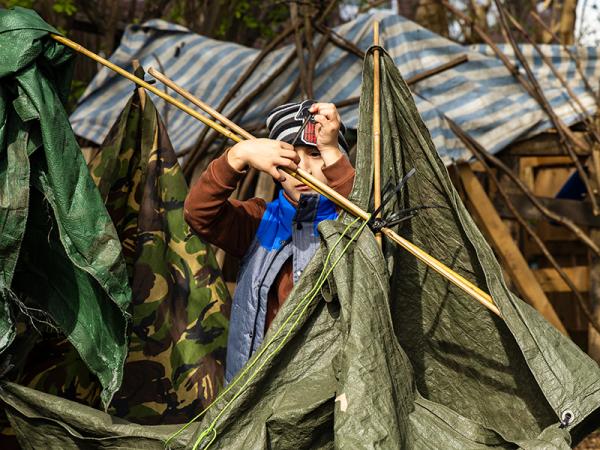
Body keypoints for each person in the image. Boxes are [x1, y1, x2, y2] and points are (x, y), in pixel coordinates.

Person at [184, 100, 355, 382]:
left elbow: (368, 225)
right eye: (289, 157)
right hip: (257, 387)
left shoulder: (350, 218)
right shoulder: (260, 221)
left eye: (315, 153)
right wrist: (238, 155)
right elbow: (198, 213)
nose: (303, 169)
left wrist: (331, 150)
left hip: (326, 390)